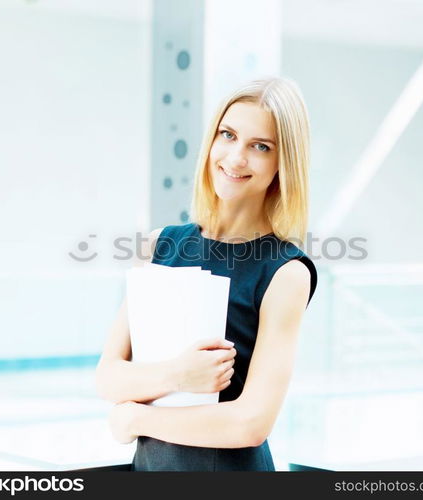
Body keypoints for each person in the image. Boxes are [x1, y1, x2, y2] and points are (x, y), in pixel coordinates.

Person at [95, 77, 318, 471]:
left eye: (260, 147)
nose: (235, 158)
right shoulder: (156, 246)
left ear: (283, 164)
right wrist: (178, 374)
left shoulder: (285, 272)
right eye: (228, 135)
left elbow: (250, 423)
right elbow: (109, 377)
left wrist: (138, 418)